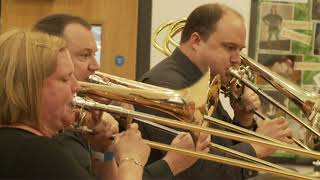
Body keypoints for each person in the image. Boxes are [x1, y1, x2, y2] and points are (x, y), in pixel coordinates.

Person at [33, 14, 210, 179]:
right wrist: (169, 163)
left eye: (94, 54)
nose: (96, 65)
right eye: (84, 55)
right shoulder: (54, 133)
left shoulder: (79, 121)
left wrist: (106, 149)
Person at [137, 3, 293, 180]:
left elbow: (221, 148)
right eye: (229, 47)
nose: (237, 59)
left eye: (239, 50)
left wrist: (243, 120)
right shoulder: (167, 85)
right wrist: (256, 146)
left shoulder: (203, 81)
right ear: (196, 41)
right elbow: (195, 172)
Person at [0, 29, 150, 180]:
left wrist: (106, 151)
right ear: (31, 87)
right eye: (65, 79)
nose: (76, 86)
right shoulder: (38, 153)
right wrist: (132, 162)